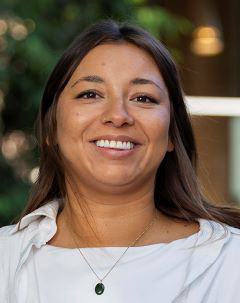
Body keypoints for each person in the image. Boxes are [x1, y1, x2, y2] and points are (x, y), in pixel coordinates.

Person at [1, 19, 240, 303]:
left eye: (143, 98)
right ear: (51, 126)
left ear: (172, 135)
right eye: (90, 94)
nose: (118, 115)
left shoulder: (229, 263)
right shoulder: (7, 259)